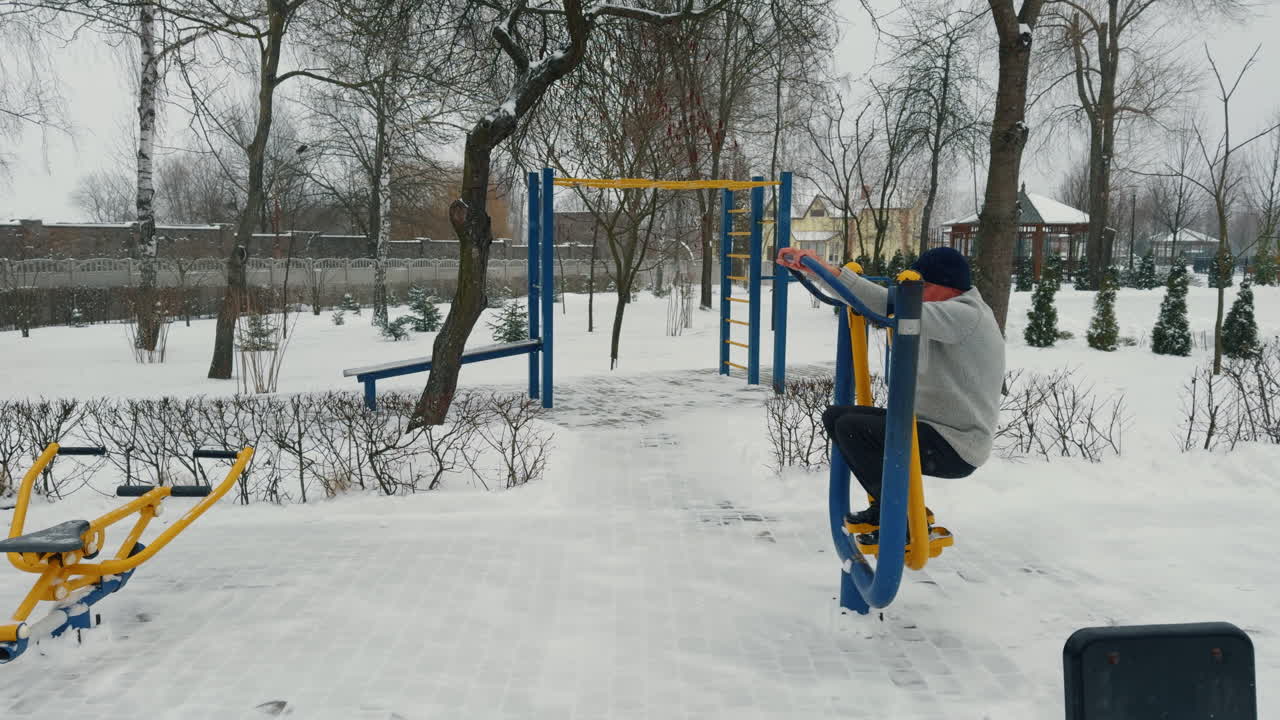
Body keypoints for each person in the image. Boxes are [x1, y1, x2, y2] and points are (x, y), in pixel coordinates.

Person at [775, 246, 1006, 550]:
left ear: (948, 287)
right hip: (930, 429)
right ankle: (897, 510)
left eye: (923, 288)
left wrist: (829, 275)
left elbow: (892, 308)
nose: (918, 296)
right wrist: (821, 272)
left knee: (854, 429)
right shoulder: (943, 309)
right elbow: (884, 302)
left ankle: (900, 518)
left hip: (956, 444)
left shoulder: (966, 315)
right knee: (837, 417)